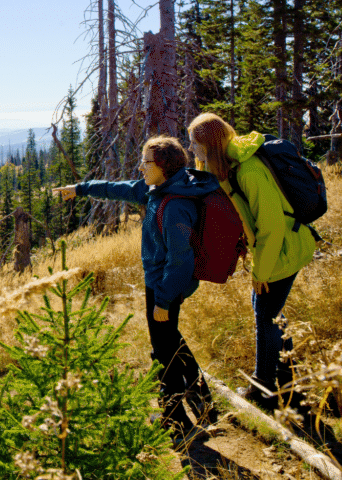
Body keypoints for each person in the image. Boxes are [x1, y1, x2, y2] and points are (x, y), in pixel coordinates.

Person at [59, 136, 219, 441]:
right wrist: (79, 189)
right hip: (163, 285)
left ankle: (174, 422)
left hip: (164, 286)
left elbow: (180, 261)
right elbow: (116, 189)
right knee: (170, 338)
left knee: (162, 351)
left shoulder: (174, 206)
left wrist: (163, 300)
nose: (140, 166)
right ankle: (203, 402)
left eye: (145, 161)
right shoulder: (158, 191)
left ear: (162, 165)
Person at [187, 113, 317, 411]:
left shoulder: (248, 170)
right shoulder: (230, 166)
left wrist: (261, 271)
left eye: (195, 143)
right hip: (277, 250)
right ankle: (288, 383)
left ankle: (262, 388)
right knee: (272, 313)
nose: (192, 149)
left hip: (285, 250)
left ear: (210, 144)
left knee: (265, 315)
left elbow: (271, 225)